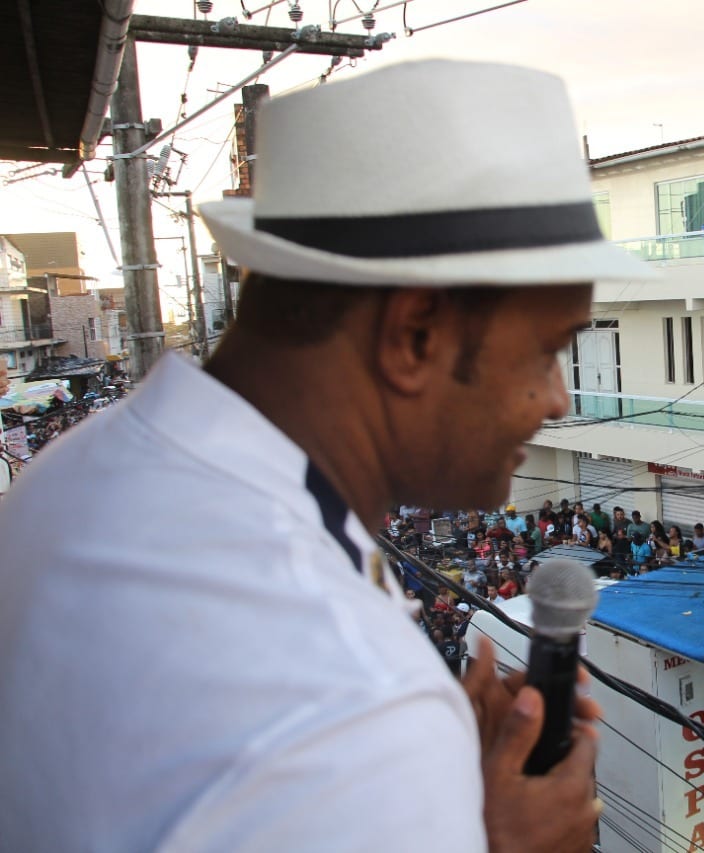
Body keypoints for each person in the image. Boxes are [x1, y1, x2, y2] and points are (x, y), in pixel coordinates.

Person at [0, 60, 643, 851]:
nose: (559, 400)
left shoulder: (73, 476)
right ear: (414, 336)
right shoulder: (352, 706)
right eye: (549, 350)